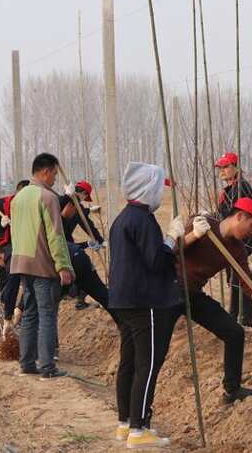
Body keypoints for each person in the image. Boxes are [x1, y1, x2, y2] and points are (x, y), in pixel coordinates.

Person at [168, 198, 252, 406]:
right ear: (240, 216)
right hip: (168, 290)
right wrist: (193, 235)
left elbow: (248, 283)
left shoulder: (237, 249)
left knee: (234, 333)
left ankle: (232, 390)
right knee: (158, 347)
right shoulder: (202, 224)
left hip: (193, 294)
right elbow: (168, 251)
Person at [109, 162, 180, 449]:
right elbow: (156, 261)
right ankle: (139, 429)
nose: (160, 195)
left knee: (128, 362)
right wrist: (172, 239)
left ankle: (125, 423)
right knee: (147, 365)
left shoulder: (122, 218)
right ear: (147, 188)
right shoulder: (143, 220)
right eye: (158, 188)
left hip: (122, 300)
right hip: (144, 301)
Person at [10, 153, 74, 380]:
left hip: (22, 262)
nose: (55, 179)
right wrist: (63, 266)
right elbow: (55, 235)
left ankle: (27, 363)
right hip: (42, 264)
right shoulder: (48, 198)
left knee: (30, 314)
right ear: (45, 172)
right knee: (47, 314)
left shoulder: (18, 198)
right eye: (54, 174)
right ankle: (47, 367)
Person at [215, 151, 252, 327]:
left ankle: (243, 320)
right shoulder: (231, 188)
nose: (222, 171)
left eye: (225, 167)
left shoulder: (241, 188)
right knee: (235, 279)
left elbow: (236, 216)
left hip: (239, 240)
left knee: (241, 279)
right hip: (231, 240)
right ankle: (235, 317)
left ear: (236, 167)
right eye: (220, 167)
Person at [58, 181, 105, 310]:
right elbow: (88, 225)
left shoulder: (75, 207)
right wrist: (99, 241)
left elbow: (87, 224)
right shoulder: (65, 202)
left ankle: (72, 296)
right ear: (83, 194)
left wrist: (98, 241)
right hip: (60, 244)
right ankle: (74, 297)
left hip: (65, 243)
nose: (84, 200)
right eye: (85, 197)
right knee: (85, 267)